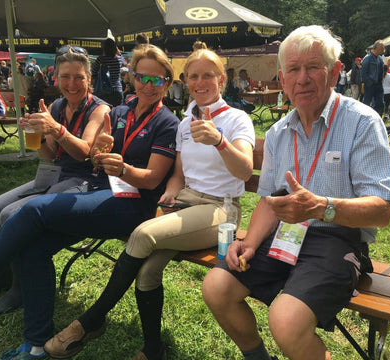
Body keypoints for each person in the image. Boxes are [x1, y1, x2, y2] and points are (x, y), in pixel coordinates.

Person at [0, 44, 179, 360]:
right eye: (141, 77)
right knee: (33, 248)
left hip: (134, 206)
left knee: (33, 209)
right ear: (131, 77)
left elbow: (151, 179)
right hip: (100, 191)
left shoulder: (167, 122)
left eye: (156, 80)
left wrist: (122, 167)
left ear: (167, 83)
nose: (148, 86)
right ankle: (36, 346)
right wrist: (99, 152)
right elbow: (93, 156)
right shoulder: (120, 112)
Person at [44, 48, 255, 360]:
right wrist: (170, 193)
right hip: (184, 204)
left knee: (142, 234)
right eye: (193, 76)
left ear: (221, 79)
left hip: (221, 210)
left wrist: (219, 141)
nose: (200, 82)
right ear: (186, 82)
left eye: (207, 75)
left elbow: (246, 171)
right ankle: (153, 350)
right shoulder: (186, 123)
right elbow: (179, 175)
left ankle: (90, 322)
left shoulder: (237, 119)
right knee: (146, 274)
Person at [202, 25, 390, 360]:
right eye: (293, 69)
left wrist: (321, 207)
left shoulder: (362, 122)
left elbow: (382, 210)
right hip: (283, 236)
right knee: (216, 288)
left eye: (314, 67)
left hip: (336, 240)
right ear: (282, 77)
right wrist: (248, 243)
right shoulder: (279, 131)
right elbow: (269, 199)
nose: (302, 78)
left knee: (285, 321)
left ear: (335, 72)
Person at [0, 46, 110, 316]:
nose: (71, 84)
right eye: (65, 77)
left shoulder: (100, 109)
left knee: (11, 214)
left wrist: (57, 130)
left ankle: (19, 289)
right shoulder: (56, 106)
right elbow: (50, 157)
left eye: (78, 77)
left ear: (89, 79)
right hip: (57, 172)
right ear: (56, 78)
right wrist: (34, 136)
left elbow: (84, 153)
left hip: (86, 180)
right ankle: (0, 278)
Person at [92, 38, 125, 106]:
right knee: (118, 113)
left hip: (103, 90)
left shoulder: (100, 59)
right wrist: (119, 52)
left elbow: (93, 73)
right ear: (115, 47)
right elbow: (125, 63)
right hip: (117, 89)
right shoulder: (119, 58)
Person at [361, 40, 385, 115]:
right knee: (366, 103)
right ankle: (364, 117)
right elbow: (363, 73)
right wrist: (369, 83)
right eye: (382, 47)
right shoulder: (367, 58)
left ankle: (374, 116)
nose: (383, 49)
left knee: (380, 103)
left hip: (378, 84)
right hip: (370, 84)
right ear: (377, 47)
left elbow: (381, 72)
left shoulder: (380, 59)